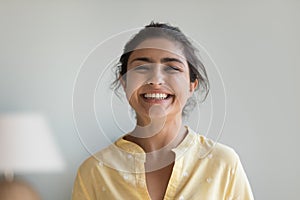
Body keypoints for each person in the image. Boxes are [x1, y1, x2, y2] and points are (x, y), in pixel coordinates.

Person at [72, 22, 254, 200]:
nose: (156, 80)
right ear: (124, 82)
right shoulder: (94, 172)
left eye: (172, 68)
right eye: (141, 67)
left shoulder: (224, 164)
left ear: (192, 85)